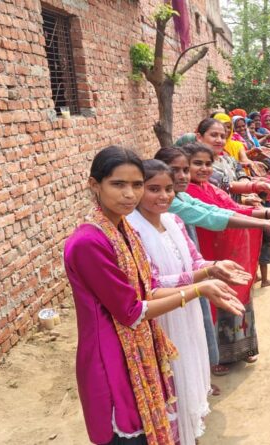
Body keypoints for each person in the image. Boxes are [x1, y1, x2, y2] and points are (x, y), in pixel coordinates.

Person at [64, 146, 244, 445]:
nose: (129, 194)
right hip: (111, 355)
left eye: (135, 185)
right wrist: (198, 289)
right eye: (118, 184)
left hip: (141, 345)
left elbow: (148, 285)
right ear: (94, 186)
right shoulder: (89, 241)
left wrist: (208, 273)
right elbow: (131, 311)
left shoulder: (122, 230)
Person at [127, 160, 254, 445]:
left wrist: (215, 266)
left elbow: (195, 259)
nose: (164, 196)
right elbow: (153, 284)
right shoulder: (131, 231)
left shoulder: (174, 221)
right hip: (162, 316)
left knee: (190, 373)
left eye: (169, 189)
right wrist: (202, 281)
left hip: (187, 311)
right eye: (153, 189)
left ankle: (190, 434)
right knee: (171, 384)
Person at [182, 143, 270, 373]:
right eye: (197, 164)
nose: (204, 168)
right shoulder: (188, 193)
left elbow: (228, 206)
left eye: (208, 164)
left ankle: (242, 349)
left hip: (230, 249)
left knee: (237, 292)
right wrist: (261, 216)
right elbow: (214, 214)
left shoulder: (209, 187)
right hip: (208, 252)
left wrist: (254, 209)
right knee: (215, 300)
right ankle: (216, 357)